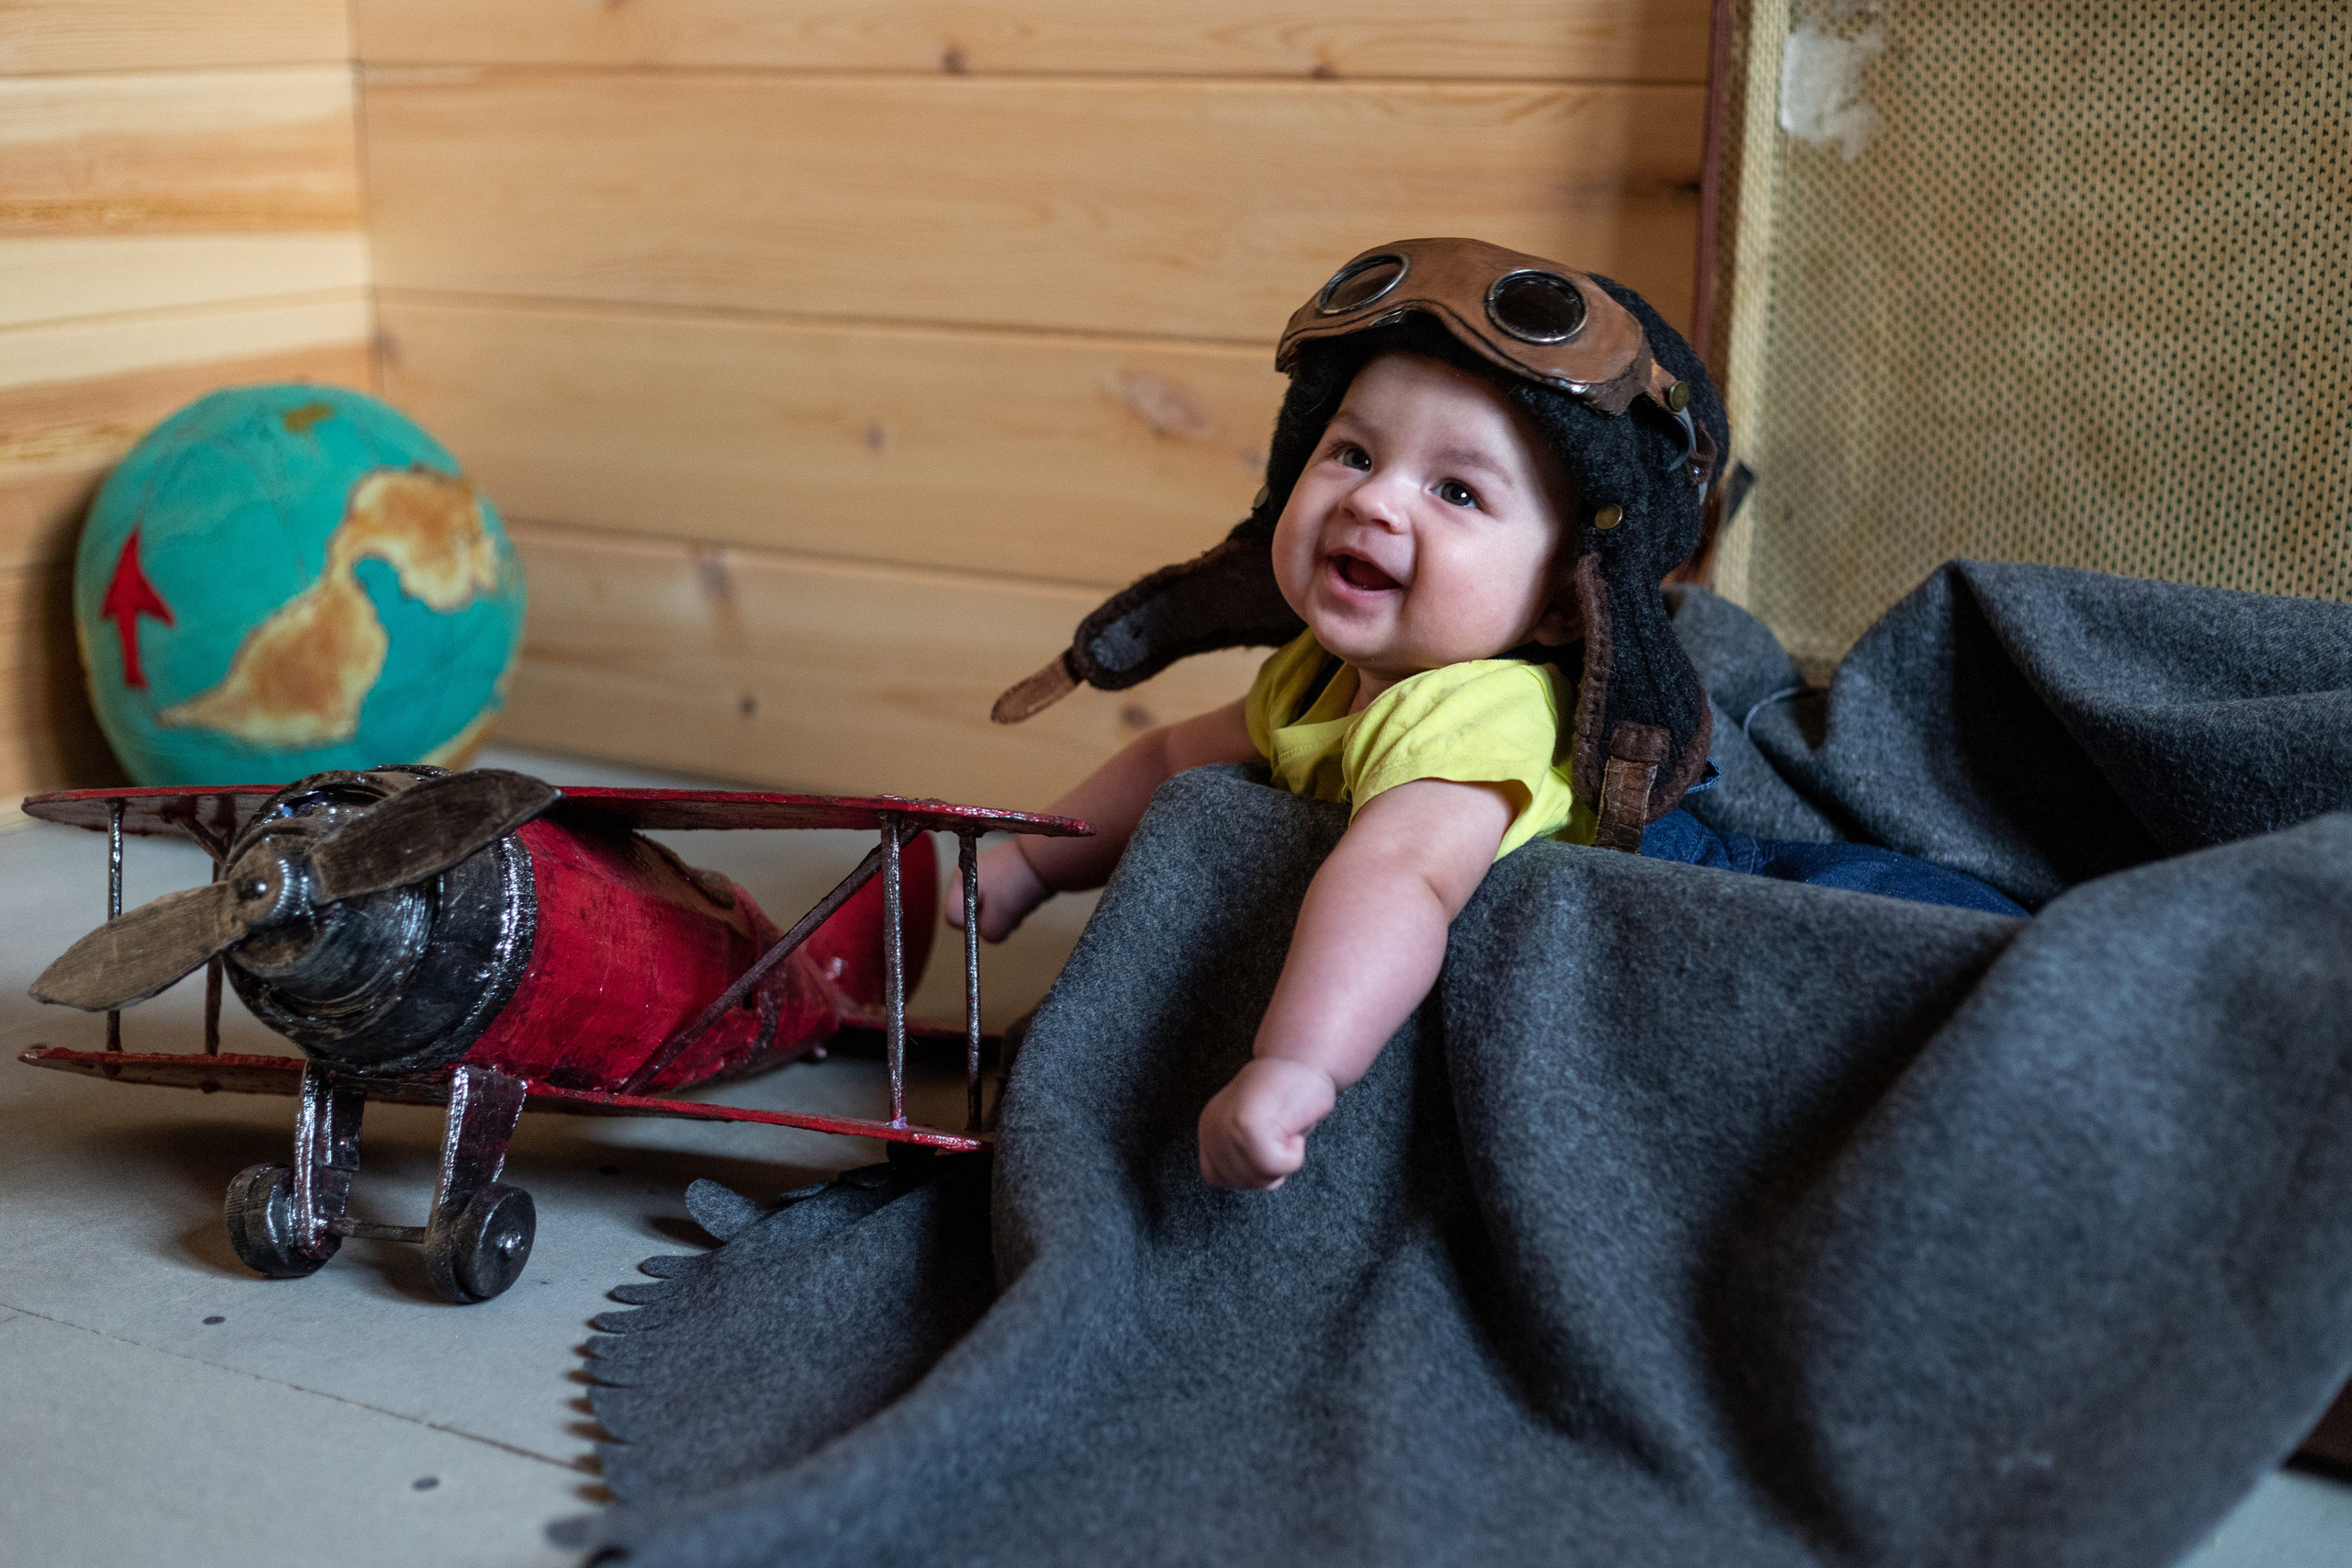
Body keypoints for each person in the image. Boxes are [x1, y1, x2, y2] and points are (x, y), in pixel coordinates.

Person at [954, 239, 2018, 1192]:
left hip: (1733, 901)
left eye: (1457, 492)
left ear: (1562, 602)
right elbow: (1166, 759)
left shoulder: (1476, 713)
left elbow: (1397, 882)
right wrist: (1031, 865)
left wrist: (1297, 1065)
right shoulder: (1310, 675)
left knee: (1944, 961)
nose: (1374, 500)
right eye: (1353, 453)